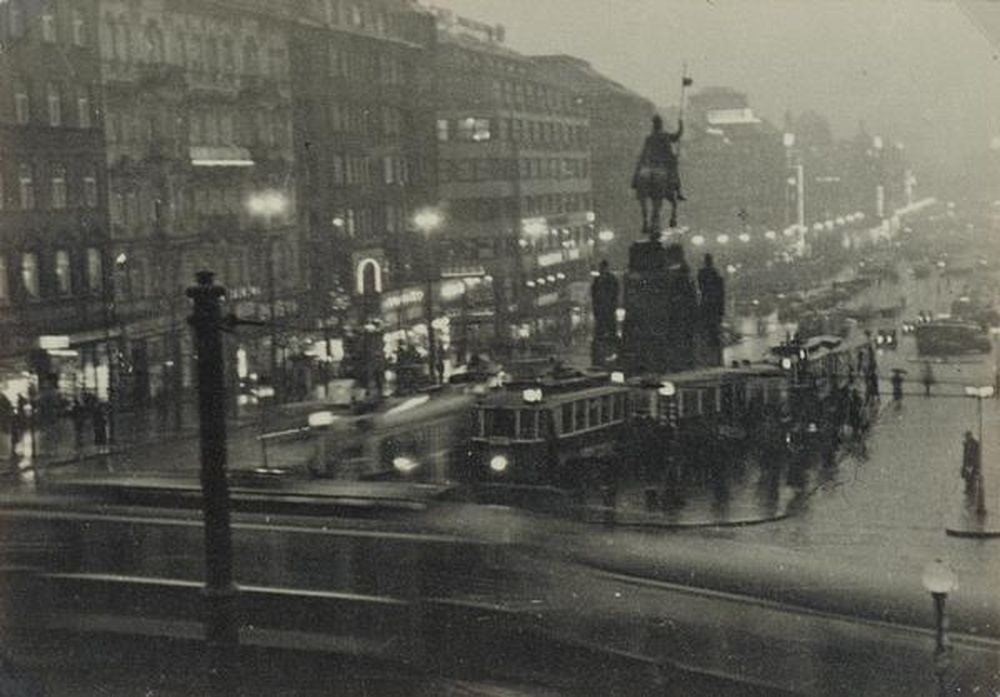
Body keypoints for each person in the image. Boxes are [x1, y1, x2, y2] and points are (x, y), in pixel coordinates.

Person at [632, 114, 684, 234]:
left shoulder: (649, 138)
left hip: (649, 164)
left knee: (640, 172)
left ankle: (645, 222)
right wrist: (681, 124)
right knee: (674, 170)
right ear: (661, 124)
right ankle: (679, 192)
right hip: (662, 164)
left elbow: (644, 153)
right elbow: (677, 136)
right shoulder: (665, 136)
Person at [962, 431, 981, 495]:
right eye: (966, 436)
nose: (966, 437)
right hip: (969, 463)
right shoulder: (968, 443)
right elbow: (966, 455)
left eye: (967, 436)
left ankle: (970, 490)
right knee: (968, 477)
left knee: (970, 477)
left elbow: (972, 455)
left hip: (971, 463)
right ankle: (969, 489)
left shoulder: (973, 443)